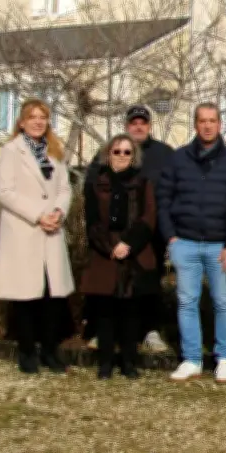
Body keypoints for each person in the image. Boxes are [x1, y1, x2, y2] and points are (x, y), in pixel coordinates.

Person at [156, 102, 226, 382]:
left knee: (223, 301)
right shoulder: (178, 158)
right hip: (185, 242)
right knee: (186, 302)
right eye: (202, 121)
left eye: (212, 120)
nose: (207, 126)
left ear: (220, 124)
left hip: (220, 245)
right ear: (195, 125)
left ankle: (224, 358)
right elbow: (163, 199)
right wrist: (171, 237)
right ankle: (192, 359)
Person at [0, 99, 73, 374]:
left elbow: (65, 188)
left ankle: (50, 351)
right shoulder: (11, 151)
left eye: (43, 117)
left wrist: (59, 212)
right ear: (22, 122)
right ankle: (27, 352)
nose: (38, 122)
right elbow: (5, 192)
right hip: (25, 229)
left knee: (52, 296)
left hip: (52, 230)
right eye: (33, 117)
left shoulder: (55, 151)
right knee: (26, 296)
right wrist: (39, 214)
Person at [84, 105, 174, 354]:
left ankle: (149, 330)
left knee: (147, 283)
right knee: (108, 284)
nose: (138, 126)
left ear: (150, 126)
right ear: (126, 125)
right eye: (133, 122)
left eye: (142, 123)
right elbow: (92, 188)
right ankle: (102, 332)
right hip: (112, 236)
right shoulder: (108, 152)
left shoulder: (164, 153)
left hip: (149, 233)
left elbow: (172, 191)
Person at [81, 134, 156, 379]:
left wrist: (129, 244)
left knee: (131, 313)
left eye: (127, 152)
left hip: (134, 250)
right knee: (105, 312)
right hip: (106, 252)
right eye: (117, 151)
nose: (122, 156)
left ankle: (128, 362)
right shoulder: (96, 183)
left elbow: (148, 217)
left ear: (133, 156)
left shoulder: (143, 183)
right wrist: (109, 247)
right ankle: (105, 363)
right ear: (108, 154)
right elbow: (92, 220)